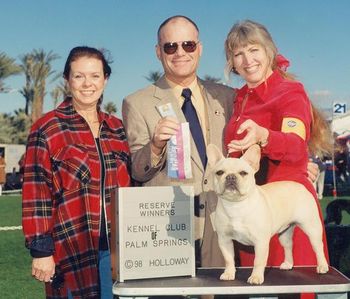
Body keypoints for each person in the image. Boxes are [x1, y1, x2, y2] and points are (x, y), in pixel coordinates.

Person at [224, 20, 333, 299]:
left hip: (288, 207)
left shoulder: (289, 91)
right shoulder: (239, 99)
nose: (247, 60)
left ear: (269, 50)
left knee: (294, 289)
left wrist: (264, 137)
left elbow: (297, 147)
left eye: (253, 49)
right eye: (238, 54)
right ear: (231, 62)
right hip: (248, 212)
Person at [122, 15, 234, 267]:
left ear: (200, 49)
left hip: (224, 221)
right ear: (158, 52)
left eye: (188, 45)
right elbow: (136, 171)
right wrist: (155, 146)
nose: (180, 53)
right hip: (168, 227)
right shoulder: (137, 102)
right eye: (170, 46)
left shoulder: (227, 97)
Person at [22, 46, 131, 299]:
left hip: (116, 250)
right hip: (70, 248)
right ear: (67, 80)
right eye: (79, 76)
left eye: (95, 76)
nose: (87, 84)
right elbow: (36, 193)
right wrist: (41, 251)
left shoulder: (116, 128)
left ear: (105, 79)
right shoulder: (47, 128)